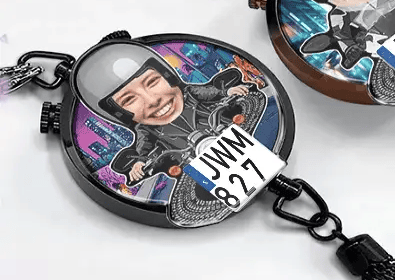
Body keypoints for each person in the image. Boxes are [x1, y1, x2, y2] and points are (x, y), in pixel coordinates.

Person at [73, 41, 257, 184]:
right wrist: (140, 162)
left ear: (168, 77)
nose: (153, 100)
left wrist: (227, 92)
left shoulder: (190, 93)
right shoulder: (145, 129)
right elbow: (144, 146)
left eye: (152, 82)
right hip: (193, 160)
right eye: (129, 100)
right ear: (120, 114)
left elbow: (208, 93)